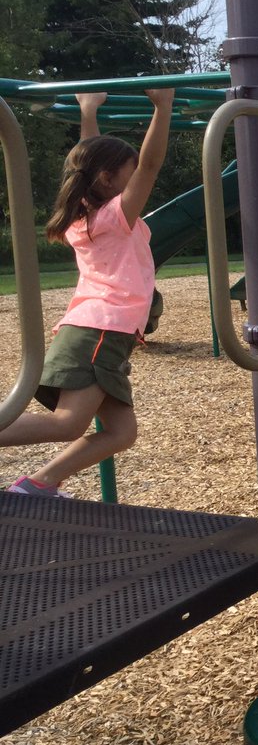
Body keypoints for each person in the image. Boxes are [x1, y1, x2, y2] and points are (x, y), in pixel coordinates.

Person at [3, 88, 175, 497]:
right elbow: (151, 164)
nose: (136, 179)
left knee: (121, 432)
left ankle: (38, 484)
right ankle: (38, 484)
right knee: (67, 423)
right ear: (107, 180)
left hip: (99, 332)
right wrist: (162, 106)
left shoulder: (84, 216)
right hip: (100, 331)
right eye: (129, 173)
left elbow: (88, 156)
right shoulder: (114, 217)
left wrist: (88, 109)